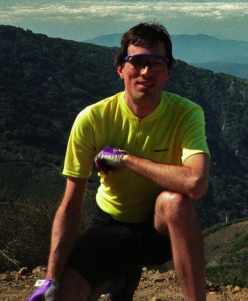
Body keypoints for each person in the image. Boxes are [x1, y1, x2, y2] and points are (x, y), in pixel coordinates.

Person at [28, 23, 210, 301]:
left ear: (168, 72)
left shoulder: (186, 114)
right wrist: (50, 279)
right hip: (110, 226)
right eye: (137, 62)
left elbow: (196, 184)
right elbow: (71, 205)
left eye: (156, 63)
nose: (146, 71)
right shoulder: (92, 119)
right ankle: (119, 274)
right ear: (120, 69)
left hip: (157, 230)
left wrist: (126, 159)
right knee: (64, 297)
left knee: (176, 202)